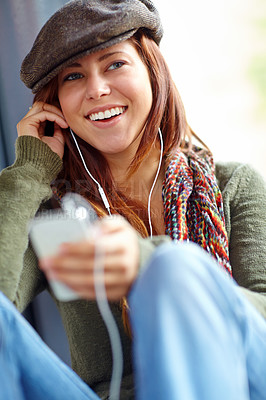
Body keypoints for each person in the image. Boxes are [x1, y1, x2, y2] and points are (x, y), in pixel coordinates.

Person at [0, 0, 265, 399]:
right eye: (74, 76)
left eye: (114, 64)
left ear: (152, 73)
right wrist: (28, 172)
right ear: (54, 106)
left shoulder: (234, 185)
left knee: (174, 266)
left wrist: (149, 265)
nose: (96, 89)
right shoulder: (55, 216)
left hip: (228, 383)